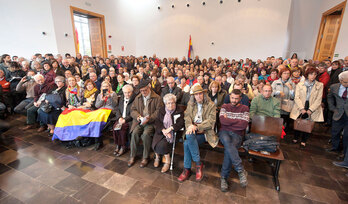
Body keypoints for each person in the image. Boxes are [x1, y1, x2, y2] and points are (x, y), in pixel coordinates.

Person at [177, 84, 218, 182]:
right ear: (193, 96)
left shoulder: (211, 105)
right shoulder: (191, 104)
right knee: (188, 139)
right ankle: (198, 164)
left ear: (203, 94)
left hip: (205, 132)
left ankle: (187, 169)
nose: (198, 96)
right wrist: (190, 126)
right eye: (196, 94)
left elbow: (211, 121)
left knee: (187, 141)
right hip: (192, 131)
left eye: (200, 94)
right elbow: (186, 117)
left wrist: (197, 127)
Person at [128, 79, 163, 168]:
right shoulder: (138, 97)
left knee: (146, 134)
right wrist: (138, 117)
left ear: (149, 88)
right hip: (140, 121)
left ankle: (145, 157)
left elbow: (159, 111)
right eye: (141, 91)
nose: (143, 92)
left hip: (151, 122)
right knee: (135, 133)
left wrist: (149, 118)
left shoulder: (157, 98)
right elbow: (132, 110)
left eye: (145, 90)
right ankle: (132, 156)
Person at [219, 89, 249, 192]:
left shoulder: (245, 108)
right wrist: (237, 121)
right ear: (230, 97)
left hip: (237, 134)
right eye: (232, 98)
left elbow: (243, 125)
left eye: (236, 98)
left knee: (228, 150)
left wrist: (229, 121)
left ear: (240, 98)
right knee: (228, 143)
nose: (234, 100)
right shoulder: (224, 106)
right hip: (224, 132)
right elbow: (222, 121)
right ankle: (240, 169)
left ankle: (223, 177)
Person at [290, 65, 324, 148]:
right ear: (307, 75)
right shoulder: (300, 84)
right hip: (301, 105)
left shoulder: (320, 85)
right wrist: (302, 108)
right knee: (298, 121)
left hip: (312, 105)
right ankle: (296, 137)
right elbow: (296, 97)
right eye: (311, 74)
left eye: (315, 74)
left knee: (308, 123)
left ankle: (304, 140)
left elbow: (318, 99)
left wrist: (310, 110)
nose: (313, 76)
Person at [152, 93, 184, 173]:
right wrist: (164, 131)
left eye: (172, 102)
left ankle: (167, 161)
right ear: (165, 103)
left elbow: (181, 123)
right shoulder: (162, 110)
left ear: (175, 102)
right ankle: (157, 157)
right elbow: (158, 122)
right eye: (168, 103)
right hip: (162, 130)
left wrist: (170, 129)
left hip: (174, 132)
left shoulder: (179, 110)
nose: (170, 105)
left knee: (163, 144)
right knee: (155, 141)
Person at [327, 71, 348, 154]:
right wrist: (332, 107)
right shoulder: (334, 87)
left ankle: (345, 152)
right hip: (338, 113)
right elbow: (330, 97)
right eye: (345, 82)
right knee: (335, 132)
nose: (347, 84)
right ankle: (335, 147)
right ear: (340, 80)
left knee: (346, 135)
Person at [95, 81, 118, 150]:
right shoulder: (99, 95)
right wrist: (102, 100)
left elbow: (115, 104)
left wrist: (110, 97)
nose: (105, 88)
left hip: (110, 111)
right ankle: (98, 142)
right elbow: (97, 106)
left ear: (109, 87)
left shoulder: (113, 94)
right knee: (96, 122)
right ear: (101, 87)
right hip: (101, 111)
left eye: (107, 86)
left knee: (100, 121)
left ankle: (99, 139)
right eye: (104, 86)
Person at [113, 84, 135, 157]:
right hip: (121, 118)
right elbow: (118, 109)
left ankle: (123, 146)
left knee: (122, 129)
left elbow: (133, 113)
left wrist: (125, 120)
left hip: (129, 120)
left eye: (129, 92)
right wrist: (119, 118)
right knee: (115, 127)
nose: (127, 94)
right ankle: (118, 145)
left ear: (132, 92)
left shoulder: (134, 99)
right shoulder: (122, 98)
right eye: (125, 92)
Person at [272, 67, 295, 133]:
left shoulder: (292, 84)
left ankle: (281, 134)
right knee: (276, 121)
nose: (286, 75)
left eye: (288, 73)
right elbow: (271, 92)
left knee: (284, 122)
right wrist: (278, 92)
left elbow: (293, 97)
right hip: (276, 105)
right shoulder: (275, 82)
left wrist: (291, 88)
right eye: (284, 73)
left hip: (286, 107)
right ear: (281, 74)